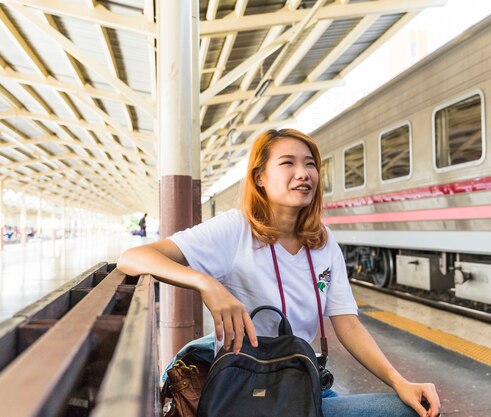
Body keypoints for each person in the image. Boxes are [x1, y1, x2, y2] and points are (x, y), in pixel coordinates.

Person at [117, 129, 440, 417]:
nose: (303, 173)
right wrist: (207, 284)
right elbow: (134, 257)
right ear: (260, 177)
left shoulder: (323, 241)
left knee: (415, 405)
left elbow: (347, 322)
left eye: (310, 163)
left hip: (303, 378)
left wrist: (400, 381)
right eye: (288, 163)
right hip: (249, 389)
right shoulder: (235, 229)